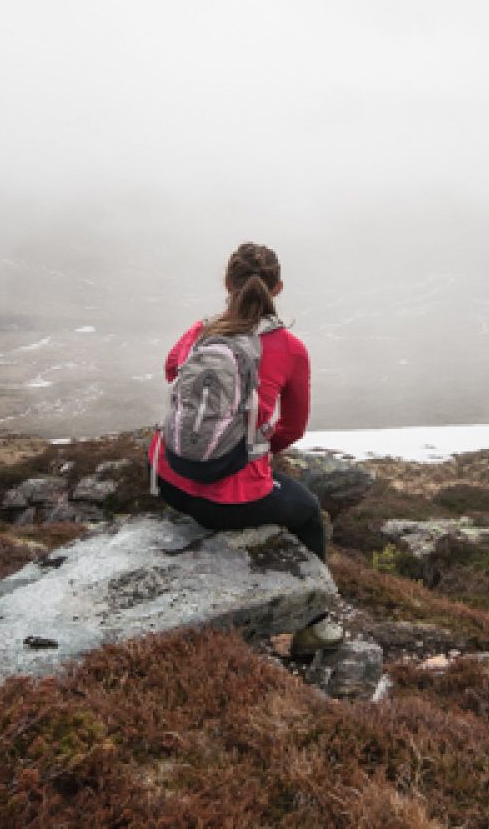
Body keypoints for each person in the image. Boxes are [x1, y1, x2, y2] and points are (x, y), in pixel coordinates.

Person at [145, 242, 343, 656]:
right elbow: (293, 427)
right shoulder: (290, 348)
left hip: (168, 480)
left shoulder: (201, 331)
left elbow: (171, 371)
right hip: (229, 502)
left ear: (227, 283)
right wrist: (257, 453)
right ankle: (315, 627)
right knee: (309, 510)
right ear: (278, 288)